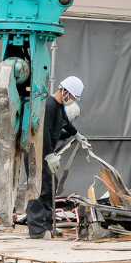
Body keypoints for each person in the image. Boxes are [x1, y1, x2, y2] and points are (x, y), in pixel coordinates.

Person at [26, 76, 84, 238]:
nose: (72, 100)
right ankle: (37, 229)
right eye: (72, 96)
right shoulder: (49, 105)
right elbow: (42, 133)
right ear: (65, 92)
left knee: (50, 185)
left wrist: (78, 135)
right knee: (38, 188)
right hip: (37, 153)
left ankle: (47, 225)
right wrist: (49, 155)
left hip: (44, 153)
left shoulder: (58, 107)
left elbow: (66, 123)